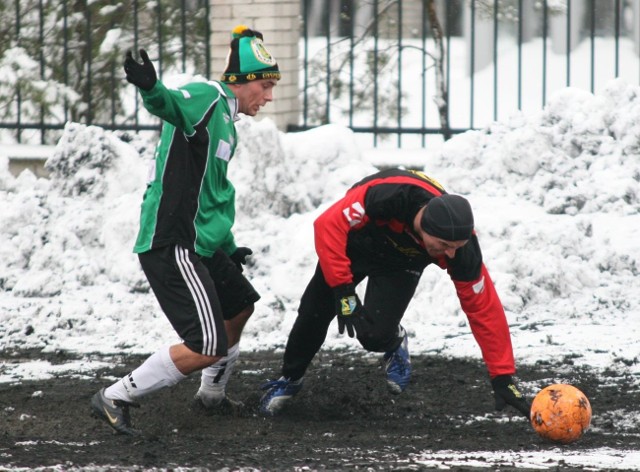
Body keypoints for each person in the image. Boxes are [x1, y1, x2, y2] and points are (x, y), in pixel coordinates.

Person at [90, 25, 280, 435]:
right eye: (264, 86)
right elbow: (171, 105)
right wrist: (151, 88)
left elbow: (215, 190)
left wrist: (228, 244)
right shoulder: (209, 97)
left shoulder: (228, 120)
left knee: (239, 308)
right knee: (206, 345)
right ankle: (115, 395)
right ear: (241, 81)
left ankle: (211, 396)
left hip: (202, 244)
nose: (268, 97)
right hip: (172, 240)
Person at [259, 168, 531, 419]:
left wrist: (502, 375)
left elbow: (483, 308)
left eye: (457, 247)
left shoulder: (461, 250)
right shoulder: (388, 196)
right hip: (356, 244)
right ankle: (290, 379)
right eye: (444, 245)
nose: (451, 254)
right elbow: (327, 225)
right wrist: (344, 291)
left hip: (402, 263)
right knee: (314, 312)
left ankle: (394, 341)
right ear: (425, 226)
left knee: (373, 334)